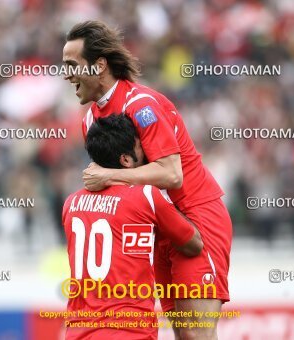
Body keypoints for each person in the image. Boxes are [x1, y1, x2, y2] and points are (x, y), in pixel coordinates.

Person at [63, 20, 232, 339]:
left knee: (196, 335)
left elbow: (171, 173)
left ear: (99, 66)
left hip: (196, 219)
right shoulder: (90, 120)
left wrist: (108, 174)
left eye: (72, 65)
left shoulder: (139, 105)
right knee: (182, 335)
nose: (66, 74)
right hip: (157, 228)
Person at [62, 114, 204, 340]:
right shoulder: (146, 196)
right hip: (130, 332)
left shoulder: (71, 204)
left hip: (78, 333)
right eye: (141, 148)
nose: (147, 154)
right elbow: (194, 244)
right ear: (126, 160)